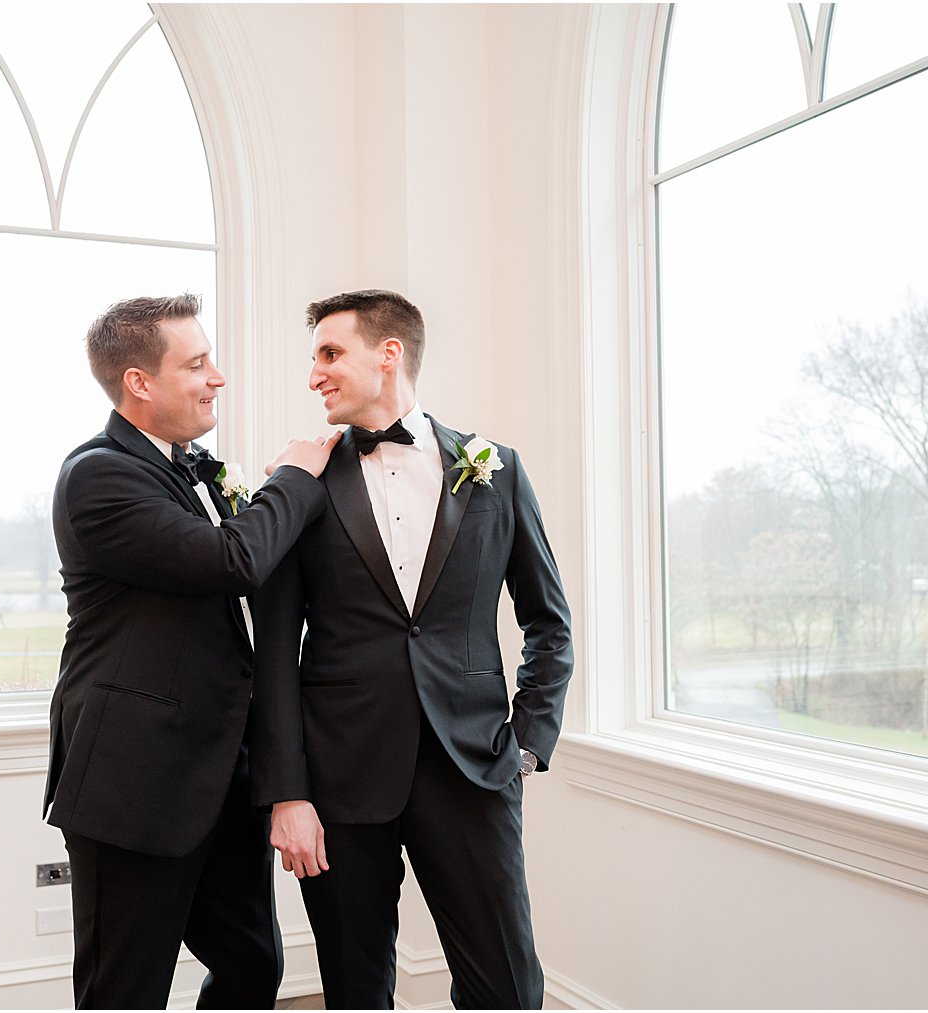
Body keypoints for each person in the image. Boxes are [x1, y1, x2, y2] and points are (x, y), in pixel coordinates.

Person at [249, 289, 573, 1010]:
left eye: (330, 354)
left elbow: (548, 621)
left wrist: (526, 743)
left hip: (472, 769)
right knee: (356, 991)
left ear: (387, 354)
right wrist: (288, 792)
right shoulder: (298, 484)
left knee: (508, 986)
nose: (315, 376)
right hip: (340, 779)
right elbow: (273, 652)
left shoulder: (498, 469)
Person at [43, 293, 339, 1010]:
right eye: (198, 362)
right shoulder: (99, 476)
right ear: (139, 383)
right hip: (134, 787)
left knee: (252, 967)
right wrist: (296, 476)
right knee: (125, 990)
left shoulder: (191, 466)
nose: (218, 377)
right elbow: (232, 560)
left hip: (223, 780)